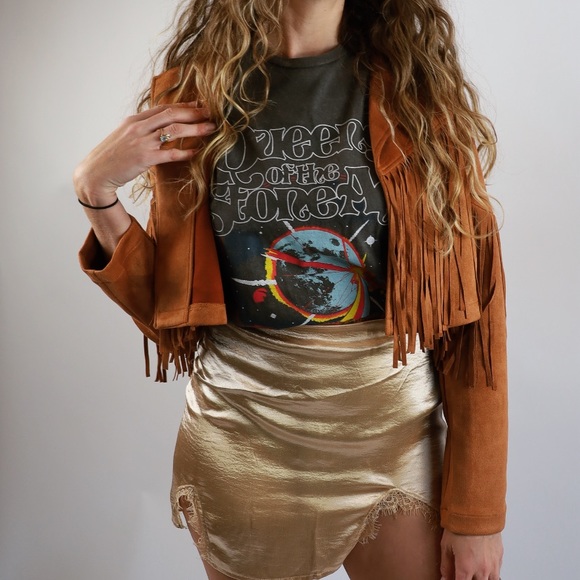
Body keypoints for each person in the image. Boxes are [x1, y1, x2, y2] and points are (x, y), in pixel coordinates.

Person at [74, 0, 508, 578]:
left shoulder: (417, 95)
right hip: (242, 431)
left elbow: (475, 321)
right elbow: (170, 309)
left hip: (392, 433)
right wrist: (96, 190)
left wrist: (478, 514)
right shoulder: (195, 98)